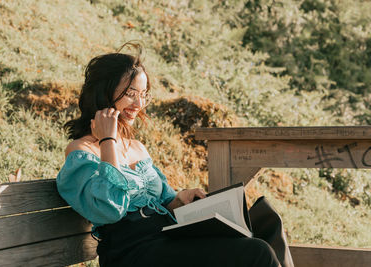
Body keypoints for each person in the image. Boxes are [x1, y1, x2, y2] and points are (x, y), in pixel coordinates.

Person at [56, 43, 281, 267]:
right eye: (131, 93)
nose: (139, 104)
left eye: (143, 94)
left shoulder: (137, 148)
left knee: (260, 236)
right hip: (131, 254)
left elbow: (164, 201)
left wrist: (179, 200)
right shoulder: (81, 152)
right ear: (104, 92)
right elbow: (110, 209)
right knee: (256, 253)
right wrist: (108, 141)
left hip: (167, 243)